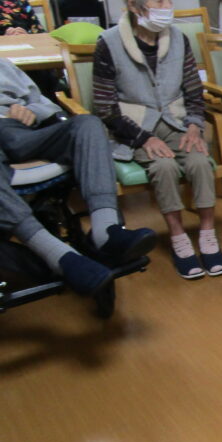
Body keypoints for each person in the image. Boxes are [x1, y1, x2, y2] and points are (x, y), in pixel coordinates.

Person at [92, 0, 222, 280]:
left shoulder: (178, 39)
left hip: (178, 123)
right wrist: (144, 138)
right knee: (163, 167)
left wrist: (194, 125)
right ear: (134, 5)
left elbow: (194, 91)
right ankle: (179, 237)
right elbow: (105, 107)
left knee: (199, 161)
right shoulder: (108, 43)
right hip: (136, 129)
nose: (168, 5)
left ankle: (207, 234)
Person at [0, 58, 155, 296]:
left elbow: (44, 103)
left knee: (88, 124)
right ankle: (59, 256)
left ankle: (106, 232)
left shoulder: (4, 66)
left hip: (21, 130)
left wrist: (31, 111)